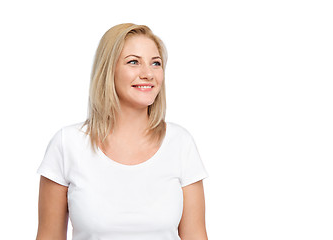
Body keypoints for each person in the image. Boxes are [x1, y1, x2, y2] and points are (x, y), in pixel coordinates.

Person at [36, 23, 209, 240]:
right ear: (109, 70)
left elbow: (195, 236)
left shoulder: (181, 143)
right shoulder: (67, 144)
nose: (148, 73)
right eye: (133, 62)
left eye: (156, 63)